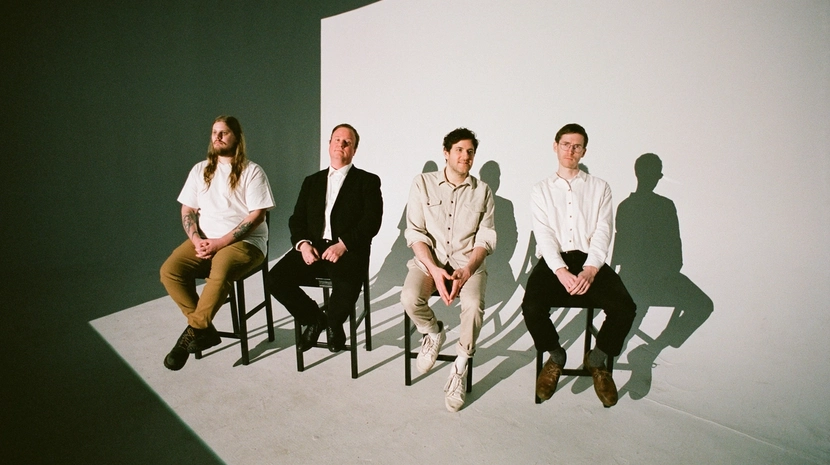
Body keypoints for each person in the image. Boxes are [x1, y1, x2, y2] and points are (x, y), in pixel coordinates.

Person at [521, 123, 636, 407]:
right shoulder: (541, 190)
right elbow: (544, 233)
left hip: (589, 259)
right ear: (555, 146)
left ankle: (597, 360)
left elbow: (604, 230)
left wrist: (591, 269)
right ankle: (555, 356)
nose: (571, 150)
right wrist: (560, 271)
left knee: (625, 308)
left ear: (584, 151)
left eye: (577, 146)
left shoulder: (600, 187)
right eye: (566, 144)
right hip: (553, 261)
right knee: (532, 307)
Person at [160, 115, 275, 371]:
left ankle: (191, 334)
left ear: (237, 137)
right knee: (170, 271)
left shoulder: (252, 171)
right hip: (206, 240)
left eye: (224, 132)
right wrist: (197, 239)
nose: (218, 137)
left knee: (220, 269)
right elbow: (187, 210)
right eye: (214, 132)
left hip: (246, 243)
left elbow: (257, 216)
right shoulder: (200, 170)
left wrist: (220, 243)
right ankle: (205, 330)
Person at [401, 127, 496, 412]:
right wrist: (433, 269)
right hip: (430, 261)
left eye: (470, 151)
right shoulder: (422, 183)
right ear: (446, 152)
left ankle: (460, 366)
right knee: (409, 297)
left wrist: (467, 269)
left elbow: (486, 237)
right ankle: (432, 332)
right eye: (459, 150)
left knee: (473, 304)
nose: (465, 156)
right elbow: (415, 232)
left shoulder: (483, 191)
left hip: (468, 265)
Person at [268, 124, 382, 353]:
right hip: (314, 248)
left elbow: (372, 221)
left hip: (347, 249)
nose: (341, 144)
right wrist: (303, 245)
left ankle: (333, 323)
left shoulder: (367, 181)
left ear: (354, 150)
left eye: (347, 142)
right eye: (337, 139)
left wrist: (344, 245)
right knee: (275, 279)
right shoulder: (312, 181)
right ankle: (314, 319)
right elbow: (296, 219)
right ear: (329, 145)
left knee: (347, 284)